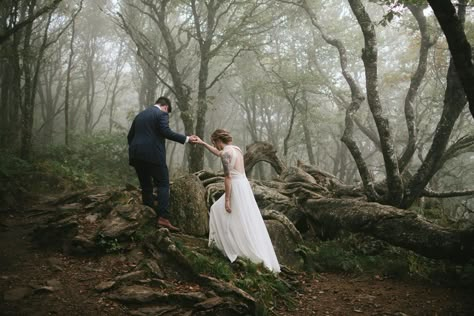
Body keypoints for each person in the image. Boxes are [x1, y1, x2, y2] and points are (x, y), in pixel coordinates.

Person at [195, 129, 280, 273]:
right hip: (243, 185)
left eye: (214, 143)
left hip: (235, 186)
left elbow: (227, 177)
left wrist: (227, 199)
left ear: (218, 140)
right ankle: (230, 244)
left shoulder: (226, 154)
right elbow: (219, 153)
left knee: (218, 210)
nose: (214, 146)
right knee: (242, 217)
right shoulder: (235, 149)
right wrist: (203, 143)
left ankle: (227, 247)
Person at [127, 96, 197, 231]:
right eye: (167, 111)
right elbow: (165, 131)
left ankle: (147, 215)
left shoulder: (140, 116)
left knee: (146, 185)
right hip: (153, 154)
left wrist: (138, 148)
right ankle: (163, 218)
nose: (167, 113)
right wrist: (187, 139)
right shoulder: (161, 113)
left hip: (136, 154)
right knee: (163, 183)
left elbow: (130, 136)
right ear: (165, 107)